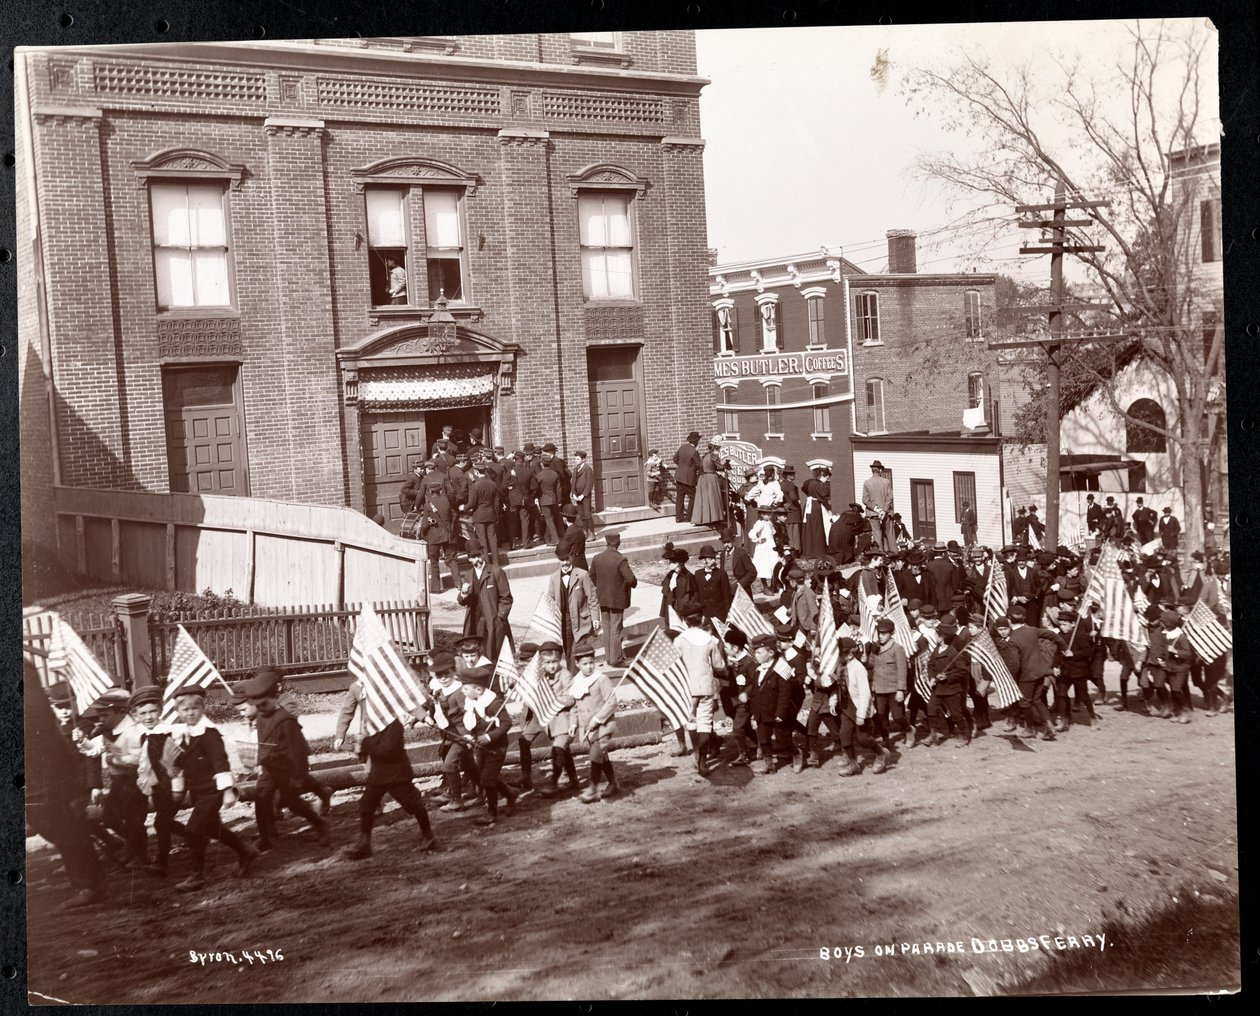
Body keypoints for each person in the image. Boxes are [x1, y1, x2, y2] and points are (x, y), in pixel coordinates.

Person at [25, 663, 107, 909]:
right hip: (33, 766)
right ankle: (92, 877)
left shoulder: (20, 667)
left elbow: (32, 716)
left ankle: (89, 886)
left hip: (42, 761)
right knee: (48, 821)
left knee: (59, 820)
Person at [241, 671, 331, 850]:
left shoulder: (286, 721)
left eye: (264, 704)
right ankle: (265, 837)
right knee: (261, 800)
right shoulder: (260, 716)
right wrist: (257, 761)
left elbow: (297, 752)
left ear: (275, 697)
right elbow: (262, 741)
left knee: (292, 802)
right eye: (257, 705)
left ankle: (320, 823)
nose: (261, 708)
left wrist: (299, 775)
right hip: (268, 766)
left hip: (286, 767)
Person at [341, 712, 438, 859]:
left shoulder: (394, 726)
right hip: (378, 774)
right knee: (367, 804)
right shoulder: (374, 725)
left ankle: (428, 836)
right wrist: (360, 745)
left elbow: (386, 750)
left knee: (412, 804)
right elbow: (374, 746)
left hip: (396, 775)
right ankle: (364, 843)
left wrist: (363, 744)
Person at [84, 687, 150, 869]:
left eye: (105, 714)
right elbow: (95, 749)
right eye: (99, 715)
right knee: (109, 817)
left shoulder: (134, 731)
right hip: (119, 782)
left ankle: (141, 857)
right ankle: (131, 844)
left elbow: (141, 758)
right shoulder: (108, 729)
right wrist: (83, 742)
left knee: (134, 820)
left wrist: (116, 759)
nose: (101, 719)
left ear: (120, 711)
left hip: (136, 781)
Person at [132, 685, 186, 876]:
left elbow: (176, 763)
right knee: (163, 822)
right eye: (143, 713)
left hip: (172, 785)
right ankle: (195, 837)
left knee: (161, 822)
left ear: (161, 711)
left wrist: (178, 789)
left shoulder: (166, 734)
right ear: (136, 715)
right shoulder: (145, 734)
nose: (148, 717)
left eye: (153, 711)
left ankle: (161, 862)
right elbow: (145, 761)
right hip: (158, 786)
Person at [460, 665, 518, 828]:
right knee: (486, 776)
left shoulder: (493, 703)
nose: (463, 691)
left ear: (478, 689)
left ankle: (492, 812)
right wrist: (469, 736)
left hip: (496, 748)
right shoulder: (472, 701)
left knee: (486, 779)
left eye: (465, 688)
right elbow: (473, 723)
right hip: (481, 746)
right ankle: (510, 794)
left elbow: (507, 723)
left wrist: (488, 736)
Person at [671, 608, 726, 774]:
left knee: (691, 722)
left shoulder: (680, 640)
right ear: (702, 619)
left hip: (687, 687)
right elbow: (719, 665)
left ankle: (696, 753)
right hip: (706, 686)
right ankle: (703, 760)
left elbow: (672, 663)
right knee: (705, 722)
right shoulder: (709, 640)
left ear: (685, 620)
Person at [568, 639, 620, 802]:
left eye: (592, 663)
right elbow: (574, 705)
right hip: (588, 728)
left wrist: (597, 719)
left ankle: (592, 789)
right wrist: (573, 723)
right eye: (585, 664)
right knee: (602, 756)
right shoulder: (576, 681)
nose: (589, 667)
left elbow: (611, 702)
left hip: (603, 725)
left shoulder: (601, 679)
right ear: (577, 664)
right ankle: (613, 782)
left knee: (596, 755)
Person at [836, 638, 891, 774]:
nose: (838, 657)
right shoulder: (841, 666)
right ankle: (853, 764)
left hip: (859, 707)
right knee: (844, 735)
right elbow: (838, 684)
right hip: (846, 706)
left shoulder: (858, 668)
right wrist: (833, 699)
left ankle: (880, 753)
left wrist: (861, 714)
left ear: (850, 655)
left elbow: (865, 693)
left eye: (841, 654)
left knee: (863, 739)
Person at [457, 539, 514, 661]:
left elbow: (506, 598)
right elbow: (462, 601)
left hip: (493, 621)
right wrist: (464, 593)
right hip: (475, 622)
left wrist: (500, 618)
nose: (477, 560)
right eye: (473, 557)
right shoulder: (468, 575)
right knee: (477, 654)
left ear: (483, 553)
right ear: (469, 558)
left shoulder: (496, 572)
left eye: (478, 555)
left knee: (494, 655)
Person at [589, 531, 637, 667]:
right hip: (617, 599)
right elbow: (631, 579)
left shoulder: (597, 557)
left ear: (606, 543)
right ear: (619, 543)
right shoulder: (620, 559)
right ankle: (616, 660)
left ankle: (609, 657)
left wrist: (601, 587)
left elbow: (591, 576)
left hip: (602, 598)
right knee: (616, 628)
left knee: (607, 627)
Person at [547, 553, 600, 667]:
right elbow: (550, 600)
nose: (565, 563)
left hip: (581, 621)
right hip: (563, 621)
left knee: (576, 653)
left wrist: (595, 618)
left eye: (566, 559)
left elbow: (592, 598)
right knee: (568, 653)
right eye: (562, 560)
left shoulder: (582, 575)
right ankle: (574, 679)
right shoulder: (554, 577)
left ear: (571, 557)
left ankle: (573, 679)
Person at [869, 617, 908, 747]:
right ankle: (886, 739)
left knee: (897, 717)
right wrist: (865, 660)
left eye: (884, 634)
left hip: (893, 688)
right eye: (879, 633)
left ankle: (909, 729)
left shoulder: (897, 649)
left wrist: (901, 690)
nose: (880, 636)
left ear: (891, 634)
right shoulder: (876, 648)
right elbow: (872, 665)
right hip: (879, 688)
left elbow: (902, 671)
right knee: (881, 716)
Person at [419, 478, 459, 593]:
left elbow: (425, 524)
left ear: (431, 492)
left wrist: (423, 532)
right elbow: (453, 515)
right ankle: (458, 584)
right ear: (440, 491)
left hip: (434, 537)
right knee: (452, 560)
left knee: (434, 562)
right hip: (448, 535)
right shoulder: (446, 502)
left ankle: (436, 588)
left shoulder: (428, 505)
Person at [466, 462, 501, 564]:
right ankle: (496, 563)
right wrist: (496, 515)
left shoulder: (475, 486)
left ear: (476, 472)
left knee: (482, 540)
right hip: (491, 514)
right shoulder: (493, 484)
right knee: (493, 539)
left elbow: (471, 503)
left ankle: (486, 562)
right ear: (485, 471)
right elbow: (496, 503)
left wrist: (464, 507)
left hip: (479, 516)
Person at [659, 543, 698, 624]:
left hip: (682, 614)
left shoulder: (688, 577)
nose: (668, 564)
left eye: (671, 562)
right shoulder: (670, 575)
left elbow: (691, 598)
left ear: (677, 563)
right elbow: (666, 596)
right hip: (671, 611)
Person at [691, 440, 727, 528]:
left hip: (703, 478)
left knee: (704, 499)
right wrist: (726, 465)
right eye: (718, 449)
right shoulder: (713, 455)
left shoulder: (705, 456)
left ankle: (702, 519)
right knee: (712, 497)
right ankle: (713, 519)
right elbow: (720, 466)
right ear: (715, 448)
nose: (719, 451)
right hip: (711, 478)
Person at [861, 460, 895, 552]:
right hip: (886, 513)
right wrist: (883, 511)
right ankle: (895, 555)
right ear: (880, 470)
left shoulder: (867, 483)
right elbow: (890, 497)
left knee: (877, 535)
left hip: (873, 513)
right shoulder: (886, 482)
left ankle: (880, 556)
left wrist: (877, 510)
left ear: (872, 470)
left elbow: (865, 500)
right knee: (890, 534)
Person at [693, 544, 733, 622]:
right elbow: (696, 595)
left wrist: (728, 616)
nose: (714, 561)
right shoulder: (698, 574)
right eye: (711, 559)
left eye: (714, 558)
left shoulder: (721, 574)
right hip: (705, 616)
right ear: (704, 560)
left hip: (719, 615)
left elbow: (727, 597)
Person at [800, 466, 832, 559]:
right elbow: (823, 497)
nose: (827, 479)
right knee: (817, 528)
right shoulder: (821, 485)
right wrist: (828, 508)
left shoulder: (809, 482)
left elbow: (804, 489)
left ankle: (808, 551)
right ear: (822, 475)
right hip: (816, 506)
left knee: (808, 528)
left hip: (808, 505)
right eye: (826, 477)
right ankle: (817, 551)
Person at [534, 452, 564, 545]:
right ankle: (547, 538)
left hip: (544, 500)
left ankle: (555, 539)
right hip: (554, 499)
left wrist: (536, 498)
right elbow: (559, 489)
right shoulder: (555, 474)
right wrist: (559, 500)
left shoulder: (539, 475)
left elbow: (536, 489)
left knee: (549, 519)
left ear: (542, 464)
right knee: (550, 518)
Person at [673, 431, 703, 523]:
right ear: (695, 441)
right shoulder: (694, 451)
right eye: (698, 441)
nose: (698, 443)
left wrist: (683, 465)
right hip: (688, 478)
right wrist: (691, 467)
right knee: (693, 497)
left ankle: (679, 517)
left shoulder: (682, 448)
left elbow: (675, 459)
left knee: (680, 497)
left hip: (679, 476)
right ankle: (689, 517)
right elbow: (700, 465)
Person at [722, 527, 756, 598]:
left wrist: (740, 585)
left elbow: (752, 572)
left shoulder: (741, 554)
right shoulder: (722, 554)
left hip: (741, 590)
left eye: (728, 542)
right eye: (724, 542)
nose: (726, 545)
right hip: (727, 591)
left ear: (733, 541)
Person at [555, 505, 589, 570]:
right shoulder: (580, 529)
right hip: (583, 561)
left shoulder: (569, 532)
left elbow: (562, 550)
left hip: (574, 564)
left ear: (564, 519)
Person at [572, 450, 597, 537]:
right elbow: (573, 482)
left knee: (587, 514)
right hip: (577, 496)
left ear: (583, 459)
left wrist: (583, 495)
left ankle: (592, 533)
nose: (576, 461)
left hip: (585, 496)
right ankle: (585, 532)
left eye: (578, 459)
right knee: (582, 514)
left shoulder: (587, 469)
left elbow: (590, 484)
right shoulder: (575, 469)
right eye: (575, 459)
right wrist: (574, 494)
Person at [780, 465, 803, 552]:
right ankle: (796, 550)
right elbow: (793, 497)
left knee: (788, 531)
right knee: (795, 532)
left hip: (786, 509)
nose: (793, 475)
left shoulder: (782, 484)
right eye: (792, 474)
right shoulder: (790, 484)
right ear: (788, 475)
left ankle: (790, 549)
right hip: (794, 510)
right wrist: (798, 501)